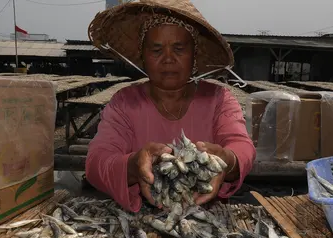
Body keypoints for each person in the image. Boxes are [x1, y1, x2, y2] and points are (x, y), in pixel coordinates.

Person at [85, 0, 256, 212]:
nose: (168, 59)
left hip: (208, 214)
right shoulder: (124, 103)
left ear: (194, 55)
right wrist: (134, 165)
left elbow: (243, 147)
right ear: (143, 57)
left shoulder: (219, 99)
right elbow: (96, 162)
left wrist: (225, 161)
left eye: (179, 48)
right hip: (142, 219)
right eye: (156, 50)